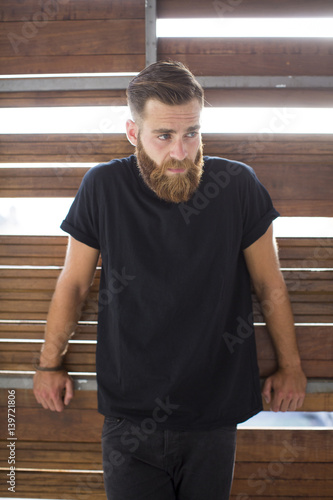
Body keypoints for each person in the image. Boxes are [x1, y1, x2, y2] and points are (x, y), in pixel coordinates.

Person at [33, 60, 307, 500]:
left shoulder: (237, 184)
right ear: (132, 132)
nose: (181, 152)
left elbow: (268, 284)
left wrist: (291, 366)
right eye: (164, 136)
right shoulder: (102, 186)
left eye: (192, 133)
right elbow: (74, 284)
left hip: (214, 412)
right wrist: (49, 363)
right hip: (129, 416)